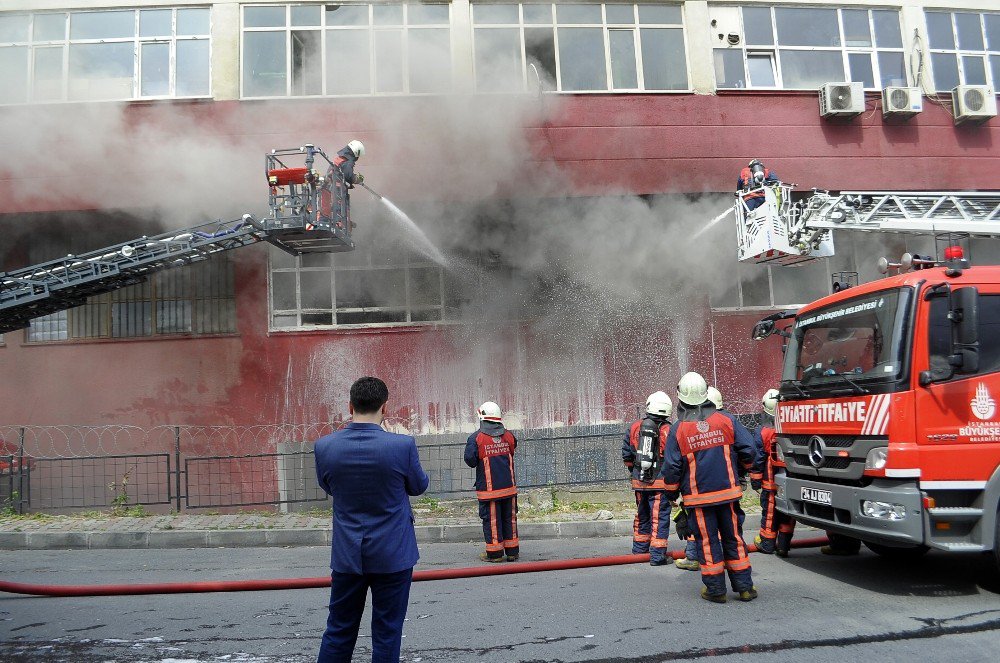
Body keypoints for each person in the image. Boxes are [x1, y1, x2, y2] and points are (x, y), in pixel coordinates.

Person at [313, 376, 429, 663]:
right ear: (385, 408)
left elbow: (329, 486)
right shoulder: (402, 446)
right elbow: (419, 486)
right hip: (393, 554)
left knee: (339, 630)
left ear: (350, 406)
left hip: (348, 555)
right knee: (387, 632)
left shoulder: (325, 446)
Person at [660, 372, 759, 603]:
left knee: (708, 542)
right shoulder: (726, 420)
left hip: (699, 499)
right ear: (706, 393)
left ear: (680, 397)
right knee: (734, 538)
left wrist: (671, 493)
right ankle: (745, 588)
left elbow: (672, 467)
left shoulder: (678, 429)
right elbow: (749, 451)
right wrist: (741, 472)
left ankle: (716, 590)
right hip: (729, 494)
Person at [621, 391, 674, 566]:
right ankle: (657, 555)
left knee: (642, 515)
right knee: (659, 518)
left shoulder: (635, 427)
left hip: (639, 483)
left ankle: (639, 550)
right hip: (660, 484)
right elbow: (673, 458)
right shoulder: (669, 430)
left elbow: (627, 455)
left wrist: (635, 473)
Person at [465, 401, 520, 562]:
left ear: (481, 417)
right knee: (510, 519)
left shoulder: (476, 438)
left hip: (490, 492)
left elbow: (470, 460)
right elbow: (512, 449)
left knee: (492, 521)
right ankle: (512, 552)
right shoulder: (509, 435)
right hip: (509, 489)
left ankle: (495, 554)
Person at [752, 388, 797, 556]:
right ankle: (783, 546)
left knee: (770, 513)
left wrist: (755, 479)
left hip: (770, 482)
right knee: (787, 513)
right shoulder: (791, 427)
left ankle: (767, 543)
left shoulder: (762, 432)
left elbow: (758, 458)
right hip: (790, 479)